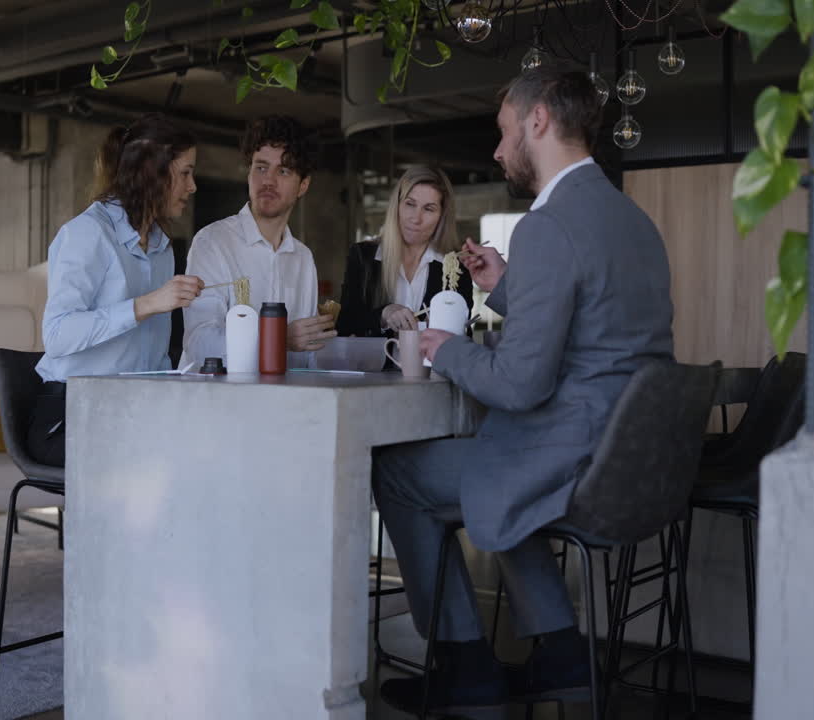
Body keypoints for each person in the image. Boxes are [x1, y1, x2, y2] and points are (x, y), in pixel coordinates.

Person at [373, 67, 675, 713]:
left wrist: (445, 349)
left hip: (573, 456)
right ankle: (560, 651)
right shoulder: (630, 217)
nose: (498, 149)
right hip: (630, 456)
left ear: (538, 121)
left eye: (504, 130)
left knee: (398, 473)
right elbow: (595, 321)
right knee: (498, 474)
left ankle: (462, 665)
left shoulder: (550, 223)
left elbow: (517, 384)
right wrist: (506, 282)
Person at [30, 114, 204, 467]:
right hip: (67, 416)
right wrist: (146, 304)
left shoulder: (162, 249)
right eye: (185, 173)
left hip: (131, 413)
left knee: (206, 449)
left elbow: (153, 361)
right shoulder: (87, 234)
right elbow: (57, 335)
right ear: (154, 172)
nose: (192, 186)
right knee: (154, 463)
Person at [183, 115, 335, 366]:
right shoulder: (213, 242)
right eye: (261, 167)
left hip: (281, 401)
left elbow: (306, 354)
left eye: (283, 171)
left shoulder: (302, 257)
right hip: (218, 401)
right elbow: (201, 344)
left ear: (303, 186)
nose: (268, 181)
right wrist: (279, 339)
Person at [336, 165, 473, 337]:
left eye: (429, 209)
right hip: (374, 364)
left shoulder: (455, 267)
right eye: (410, 204)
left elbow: (465, 334)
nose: (416, 218)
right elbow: (344, 324)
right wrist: (384, 314)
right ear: (397, 206)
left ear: (442, 216)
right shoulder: (363, 256)